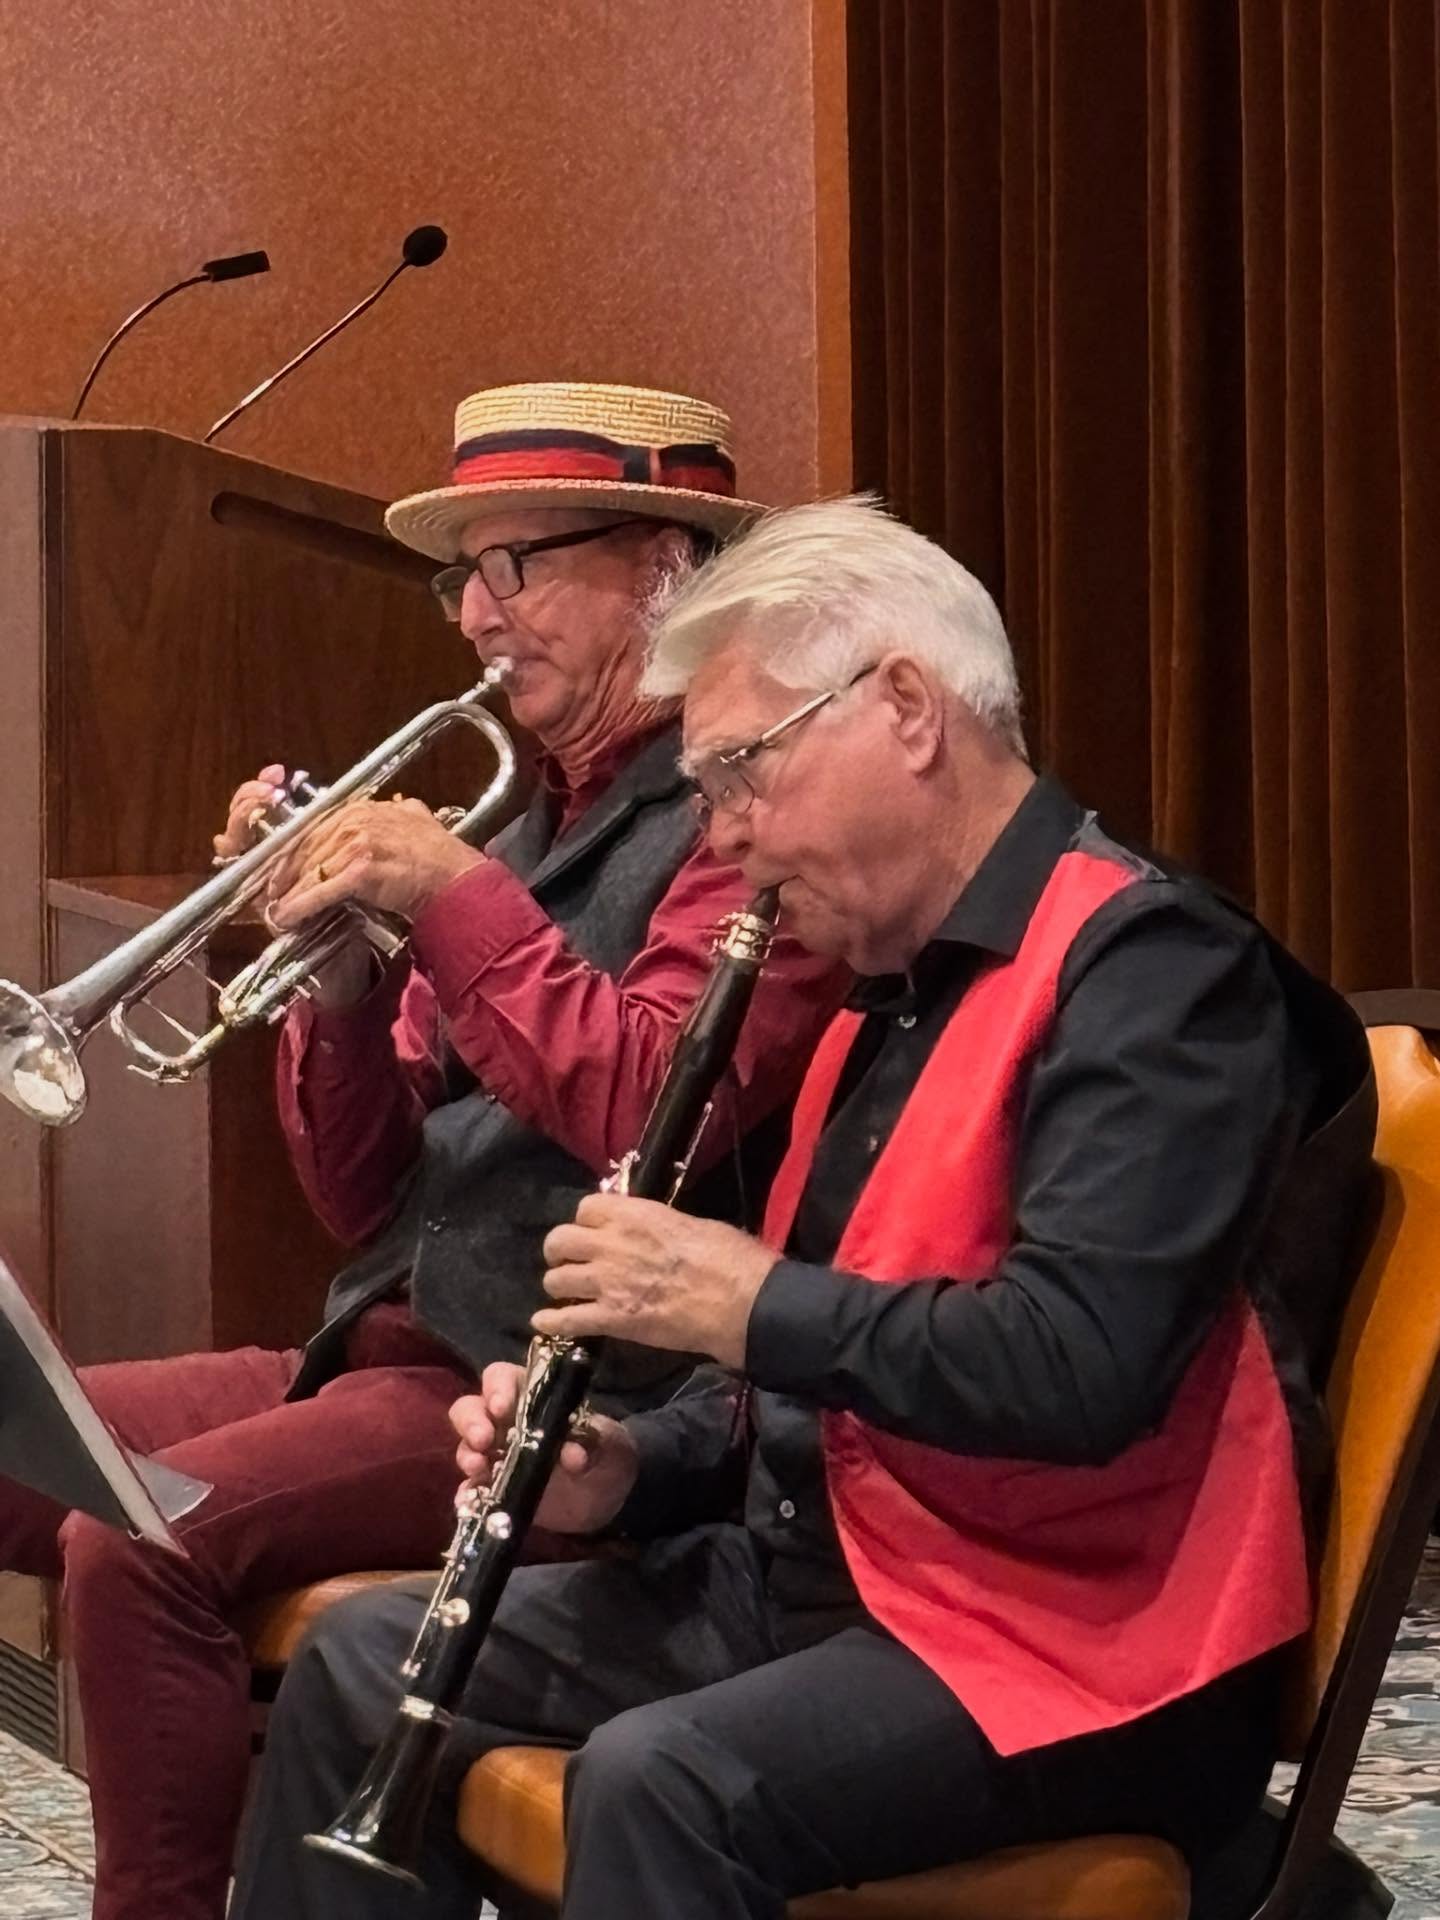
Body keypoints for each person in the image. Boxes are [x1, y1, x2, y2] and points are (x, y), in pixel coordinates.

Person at [232, 495, 1377, 1920]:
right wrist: (624, 1466)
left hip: (1081, 1640)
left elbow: (1082, 1368)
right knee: (359, 1663)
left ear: (905, 707)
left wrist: (741, 1299)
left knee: (664, 1781)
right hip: (841, 1580)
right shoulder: (872, 996)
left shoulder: (1159, 976)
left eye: (743, 774)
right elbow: (796, 1402)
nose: (730, 836)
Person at [0, 385, 844, 1920]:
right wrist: (338, 980)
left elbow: (652, 1098)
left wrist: (446, 893)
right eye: (462, 574)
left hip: (554, 1384)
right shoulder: (519, 827)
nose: (475, 615)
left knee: (134, 1546)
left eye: (516, 564)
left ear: (666, 570)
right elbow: (361, 1194)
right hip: (379, 1344)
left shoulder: (743, 821)